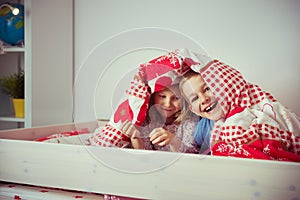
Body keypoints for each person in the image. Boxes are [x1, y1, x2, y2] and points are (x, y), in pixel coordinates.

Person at [179, 51, 300, 162]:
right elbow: (193, 153)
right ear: (193, 109)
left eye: (207, 89)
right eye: (195, 98)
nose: (204, 99)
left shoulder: (247, 113)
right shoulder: (202, 127)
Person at [120, 83, 199, 153]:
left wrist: (173, 140)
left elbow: (192, 153)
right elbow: (143, 154)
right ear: (153, 96)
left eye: (176, 98)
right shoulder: (146, 120)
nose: (168, 104)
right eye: (162, 96)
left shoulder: (189, 120)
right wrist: (135, 137)